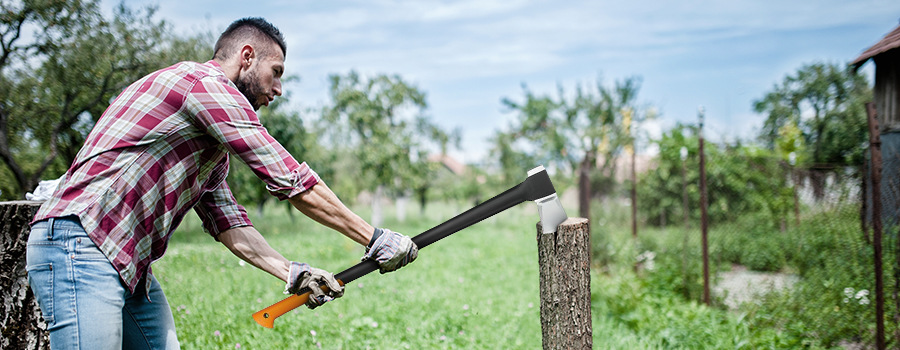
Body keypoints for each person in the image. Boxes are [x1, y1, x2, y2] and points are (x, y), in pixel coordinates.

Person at [25, 17, 418, 349]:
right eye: (275, 72)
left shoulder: (210, 148)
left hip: (127, 263)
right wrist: (373, 237)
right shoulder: (203, 85)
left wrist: (291, 272)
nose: (278, 89)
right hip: (79, 243)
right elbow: (291, 180)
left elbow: (229, 225)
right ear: (247, 57)